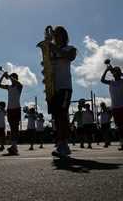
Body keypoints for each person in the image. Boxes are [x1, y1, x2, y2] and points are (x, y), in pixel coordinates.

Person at [48, 26, 77, 158]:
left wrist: (54, 48)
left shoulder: (70, 48)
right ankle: (59, 143)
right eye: (55, 35)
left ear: (64, 36)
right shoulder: (51, 51)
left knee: (62, 116)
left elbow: (70, 57)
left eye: (59, 34)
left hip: (65, 86)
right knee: (56, 118)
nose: (57, 37)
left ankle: (64, 144)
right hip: (53, 88)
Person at [100, 65, 123, 150]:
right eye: (114, 72)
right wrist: (107, 70)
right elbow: (102, 80)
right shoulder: (111, 82)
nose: (115, 74)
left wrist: (119, 72)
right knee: (119, 126)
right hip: (115, 107)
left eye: (117, 72)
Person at [0, 72, 23, 156]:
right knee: (12, 129)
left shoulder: (19, 86)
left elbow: (18, 83)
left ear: (16, 78)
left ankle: (14, 147)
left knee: (15, 128)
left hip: (16, 108)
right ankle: (14, 147)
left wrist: (9, 77)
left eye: (13, 78)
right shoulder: (9, 87)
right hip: (9, 109)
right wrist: (3, 76)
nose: (12, 79)